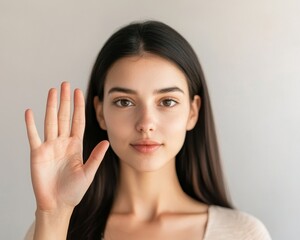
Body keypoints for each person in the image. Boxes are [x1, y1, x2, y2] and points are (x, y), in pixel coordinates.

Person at [24, 20, 271, 240]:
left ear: (193, 112)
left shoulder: (242, 234)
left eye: (167, 101)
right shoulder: (55, 227)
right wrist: (53, 214)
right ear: (100, 113)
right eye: (124, 101)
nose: (146, 123)